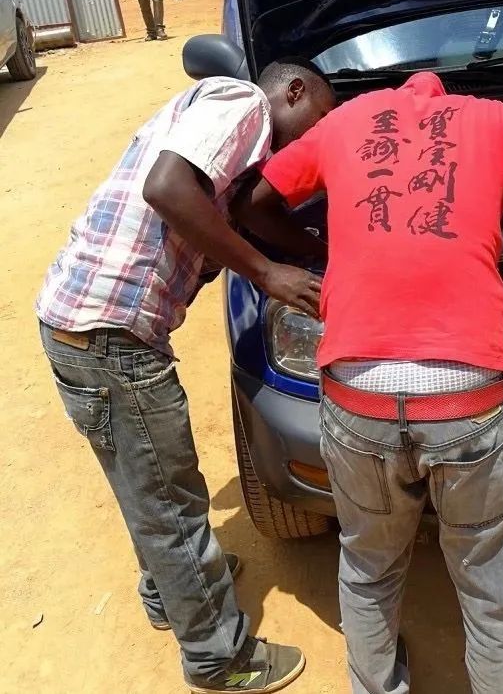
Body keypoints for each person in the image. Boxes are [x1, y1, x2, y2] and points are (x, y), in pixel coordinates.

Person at [247, 71, 503, 694]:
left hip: (357, 395)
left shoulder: (343, 121)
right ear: (447, 97)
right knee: (493, 587)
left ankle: (376, 685)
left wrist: (322, 249)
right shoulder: (499, 116)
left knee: (368, 564)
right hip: (469, 398)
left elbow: (252, 203)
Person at [36, 59, 336, 693]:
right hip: (112, 336)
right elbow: (167, 188)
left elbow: (250, 215)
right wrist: (267, 273)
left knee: (142, 483)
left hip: (80, 326)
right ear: (294, 91)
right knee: (171, 502)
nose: (321, 132)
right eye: (323, 116)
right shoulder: (242, 104)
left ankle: (168, 592)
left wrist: (321, 251)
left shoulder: (232, 146)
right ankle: (218, 658)